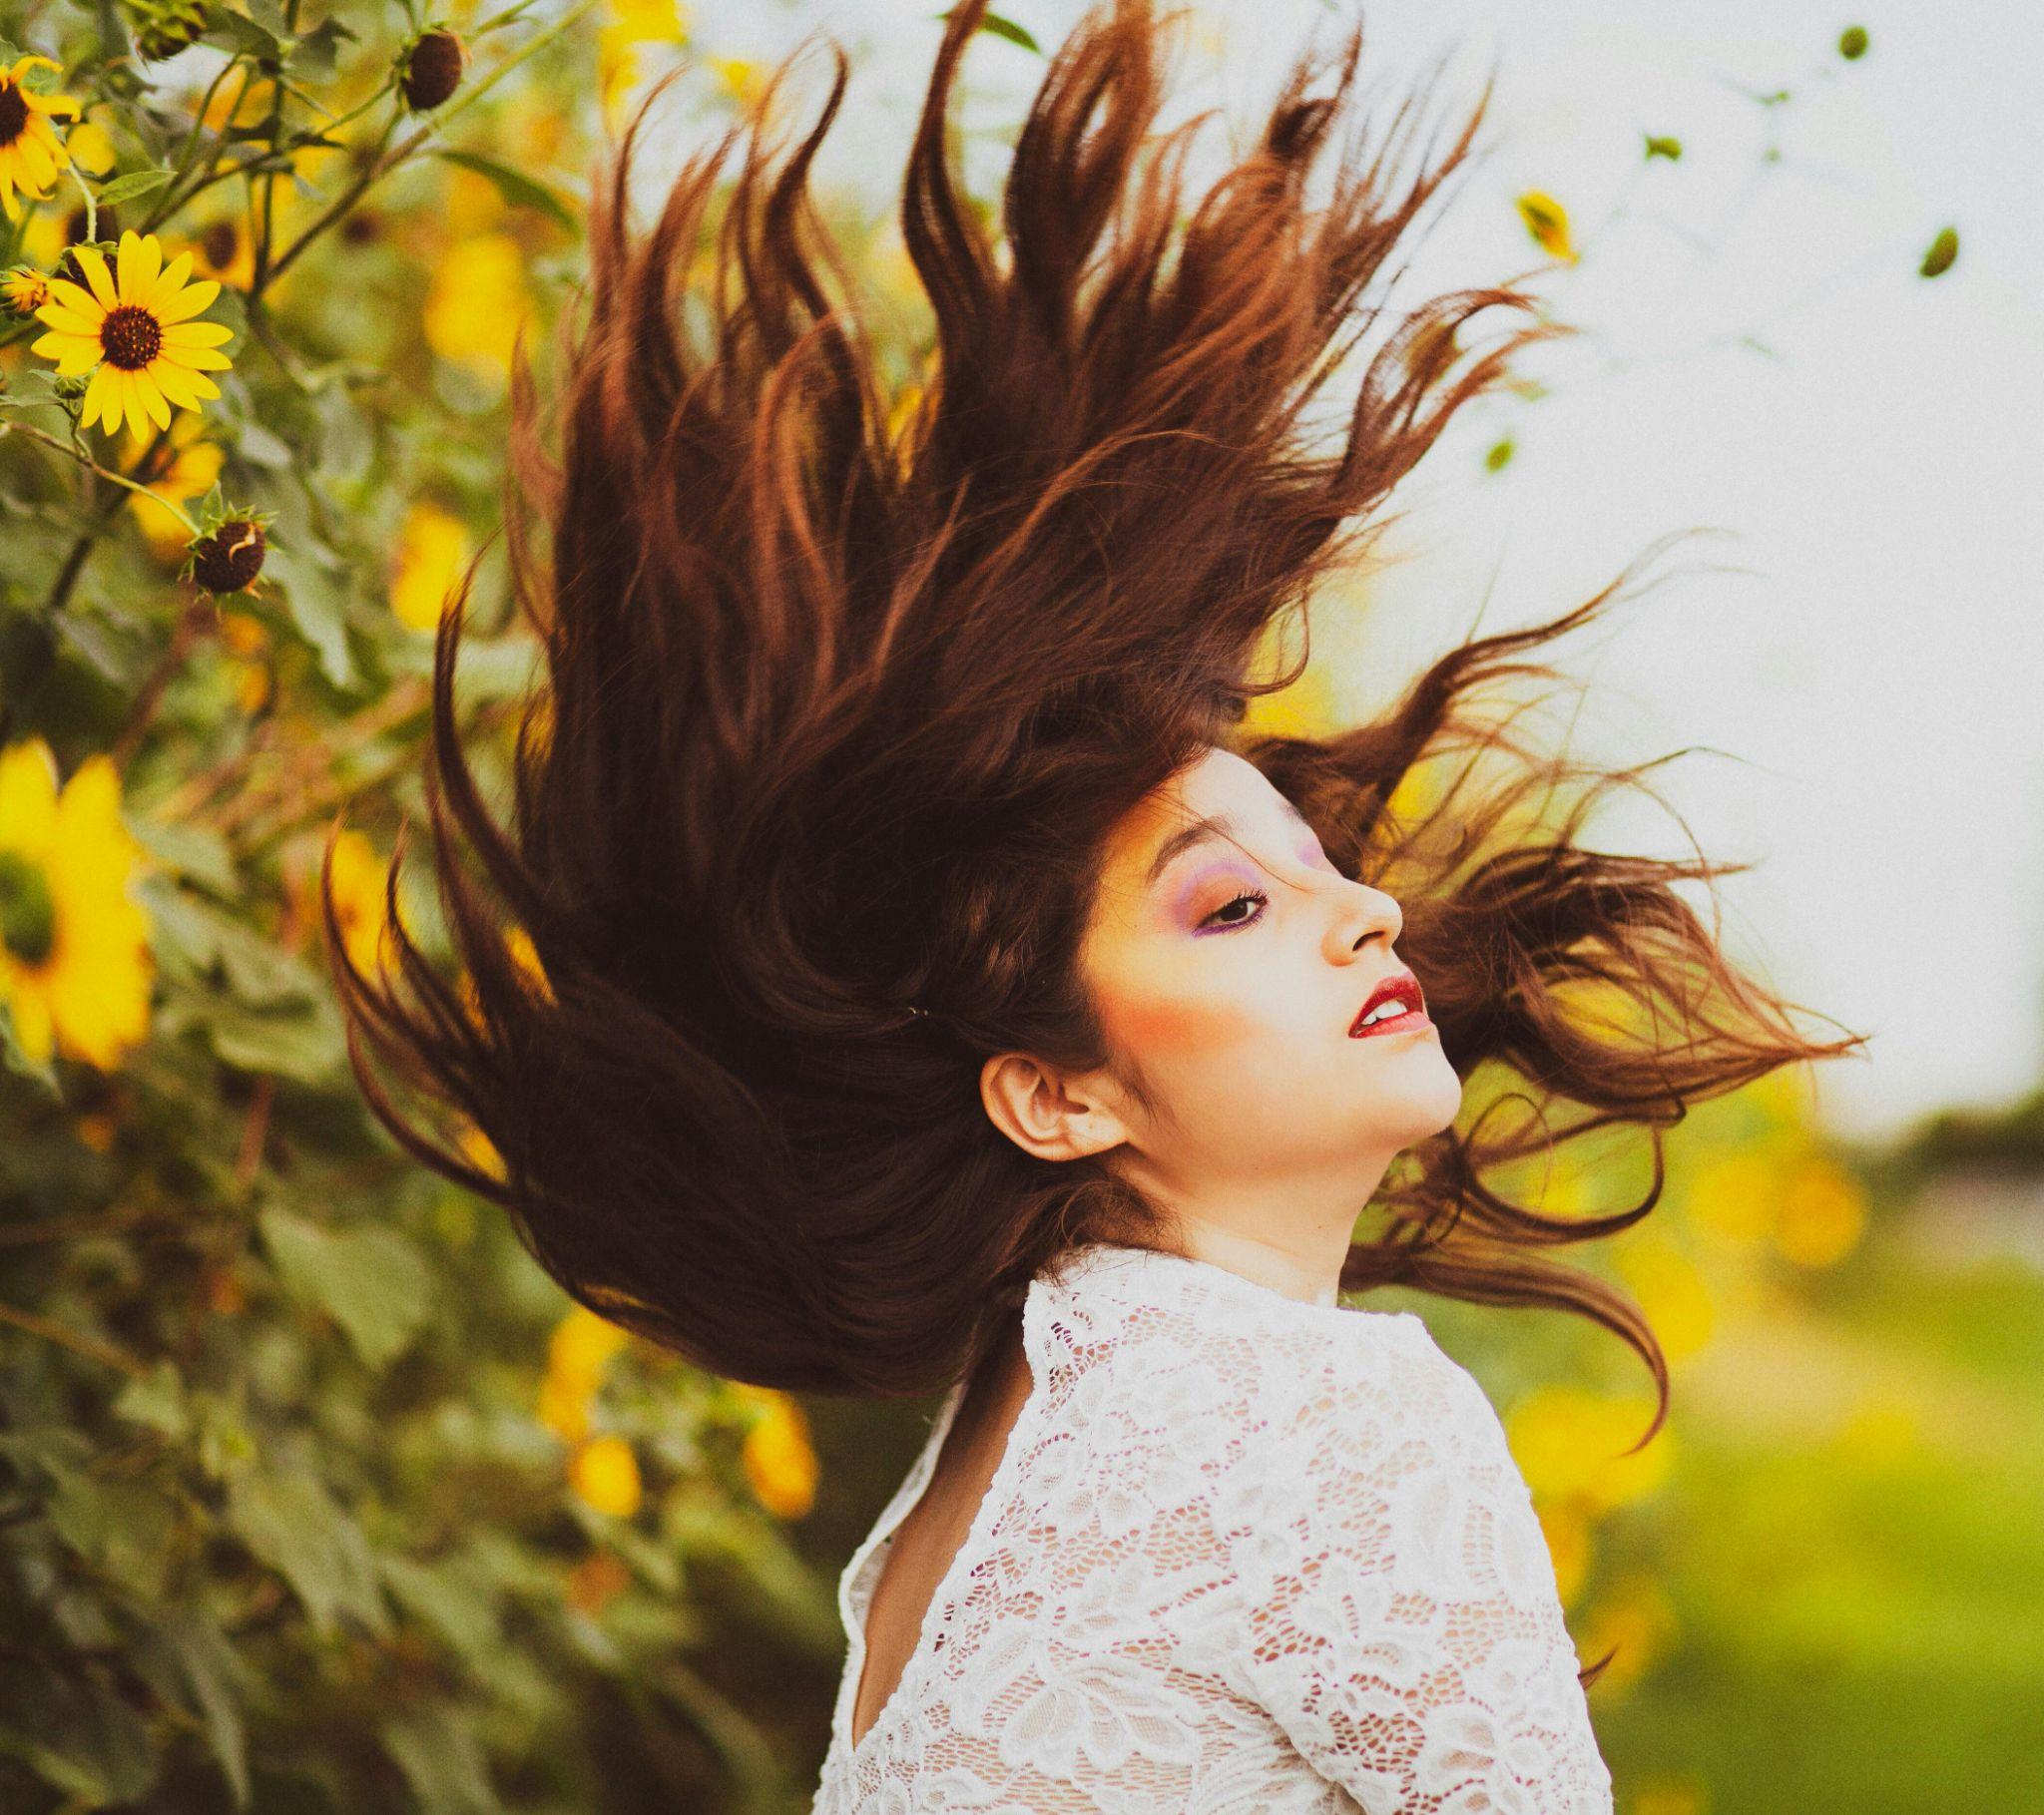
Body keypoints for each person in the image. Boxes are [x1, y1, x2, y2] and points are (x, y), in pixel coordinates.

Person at [322, 1, 1865, 1807]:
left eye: (1309, 862)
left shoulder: (960, 1497)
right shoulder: (1338, 1434)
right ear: (1056, 1093)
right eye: (1230, 908)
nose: (1363, 909)